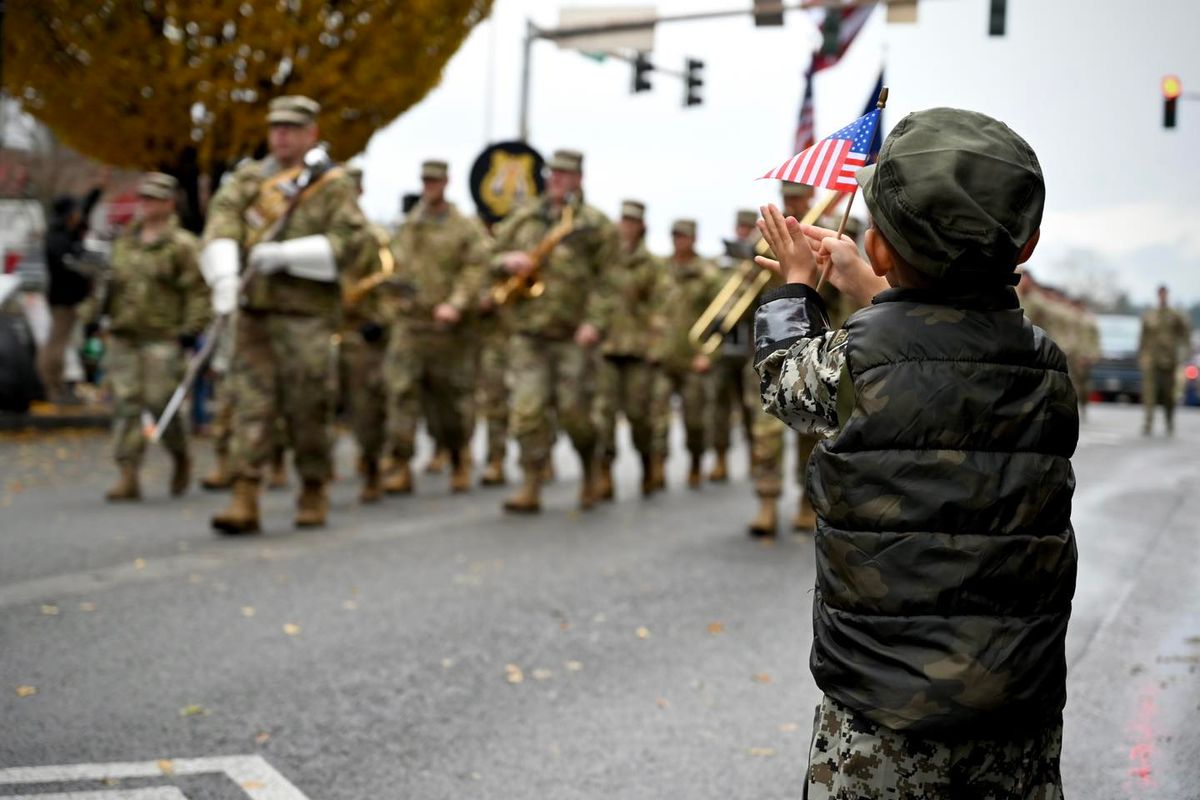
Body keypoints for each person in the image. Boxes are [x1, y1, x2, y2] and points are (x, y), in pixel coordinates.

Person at [753, 108, 1077, 798]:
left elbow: (786, 380)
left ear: (877, 249)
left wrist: (793, 290)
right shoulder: (1047, 363)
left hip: (886, 713)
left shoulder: (860, 360)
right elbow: (943, 356)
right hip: (1017, 706)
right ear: (1028, 245)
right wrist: (878, 289)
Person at [201, 95, 367, 533]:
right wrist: (222, 277)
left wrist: (287, 255)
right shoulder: (250, 179)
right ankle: (245, 495)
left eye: (292, 129)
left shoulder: (332, 184)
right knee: (249, 404)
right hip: (255, 312)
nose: (282, 136)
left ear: (311, 133)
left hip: (306, 317)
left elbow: (351, 242)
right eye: (276, 128)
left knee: (307, 407)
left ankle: (313, 487)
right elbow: (222, 219)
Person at [490, 149, 617, 513]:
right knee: (527, 411)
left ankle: (590, 467)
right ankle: (530, 483)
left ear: (579, 178)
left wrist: (595, 322)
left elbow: (611, 280)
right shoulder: (524, 216)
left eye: (566, 174)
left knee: (575, 414)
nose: (557, 180)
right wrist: (506, 260)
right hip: (528, 331)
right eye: (553, 173)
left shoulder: (594, 223)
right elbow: (488, 254)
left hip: (574, 335)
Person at [383, 159, 489, 495]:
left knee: (450, 403)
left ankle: (458, 456)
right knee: (401, 394)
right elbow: (394, 266)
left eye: (435, 181)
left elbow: (475, 269)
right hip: (411, 324)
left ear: (446, 183)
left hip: (447, 329)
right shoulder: (409, 225)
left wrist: (456, 304)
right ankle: (401, 464)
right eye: (425, 181)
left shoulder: (464, 227)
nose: (430, 187)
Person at [101, 173, 210, 501]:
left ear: (169, 203)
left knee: (160, 401)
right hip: (125, 333)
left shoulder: (183, 246)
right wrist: (97, 314)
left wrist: (192, 329)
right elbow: (111, 282)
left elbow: (198, 291)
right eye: (142, 198)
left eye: (152, 199)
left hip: (164, 335)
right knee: (126, 402)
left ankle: (179, 455)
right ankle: (128, 472)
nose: (145, 204)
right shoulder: (125, 241)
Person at [591, 200, 662, 498]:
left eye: (632, 222)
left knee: (638, 415)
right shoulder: (605, 261)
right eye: (623, 220)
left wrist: (656, 345)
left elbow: (662, 308)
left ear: (641, 226)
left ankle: (647, 461)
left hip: (637, 350)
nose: (626, 227)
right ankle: (604, 471)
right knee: (603, 414)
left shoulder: (651, 265)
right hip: (606, 347)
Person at [649, 219, 721, 490]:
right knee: (658, 418)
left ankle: (695, 460)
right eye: (675, 236)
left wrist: (709, 355)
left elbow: (720, 320)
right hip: (662, 357)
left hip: (693, 360)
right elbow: (646, 308)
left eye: (684, 236)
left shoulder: (707, 274)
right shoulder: (659, 270)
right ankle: (658, 465)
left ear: (693, 239)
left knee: (695, 420)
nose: (679, 241)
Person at [341, 166, 394, 502]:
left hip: (359, 333)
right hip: (316, 327)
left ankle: (372, 464)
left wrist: (380, 320)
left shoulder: (372, 237)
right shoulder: (308, 232)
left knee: (365, 408)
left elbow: (389, 287)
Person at [40, 178, 105, 403]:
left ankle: (57, 384)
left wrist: (98, 188)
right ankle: (51, 385)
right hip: (62, 299)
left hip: (71, 298)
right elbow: (67, 264)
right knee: (56, 342)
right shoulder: (57, 237)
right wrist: (85, 270)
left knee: (64, 341)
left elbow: (84, 209)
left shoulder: (67, 231)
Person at [1139, 284, 1191, 435]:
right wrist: (1142, 355)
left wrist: (1183, 353)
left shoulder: (1175, 315)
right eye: (1160, 294)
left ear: (1167, 295)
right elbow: (1143, 338)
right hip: (1151, 359)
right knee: (1149, 393)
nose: (1162, 296)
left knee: (1168, 394)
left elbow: (1184, 335)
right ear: (1157, 295)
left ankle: (1169, 420)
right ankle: (1148, 423)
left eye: (1164, 294)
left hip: (1169, 360)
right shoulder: (1149, 315)